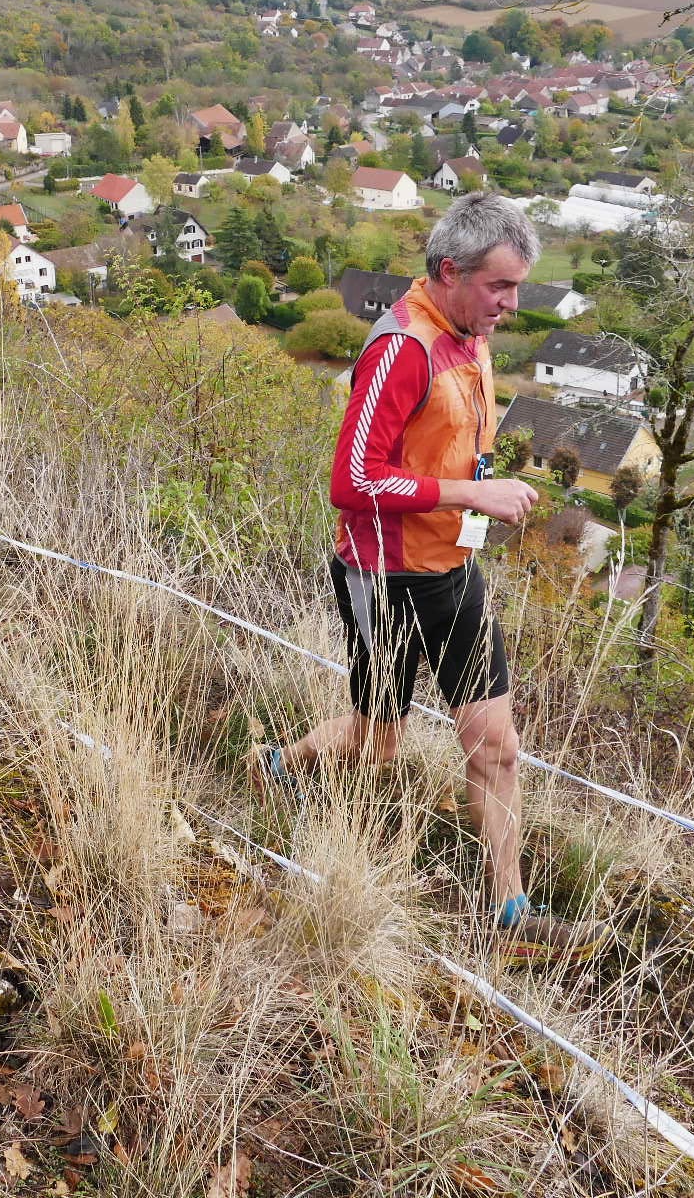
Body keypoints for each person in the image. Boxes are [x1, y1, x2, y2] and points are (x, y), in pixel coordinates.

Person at [256, 191, 610, 965]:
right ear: (450, 271)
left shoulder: (469, 335)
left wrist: (475, 511)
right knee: (377, 742)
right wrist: (469, 494)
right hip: (383, 577)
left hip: (455, 571)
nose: (512, 306)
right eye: (499, 287)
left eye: (517, 288)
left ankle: (510, 911)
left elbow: (457, 448)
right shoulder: (402, 348)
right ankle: (281, 764)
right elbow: (351, 481)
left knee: (497, 747)